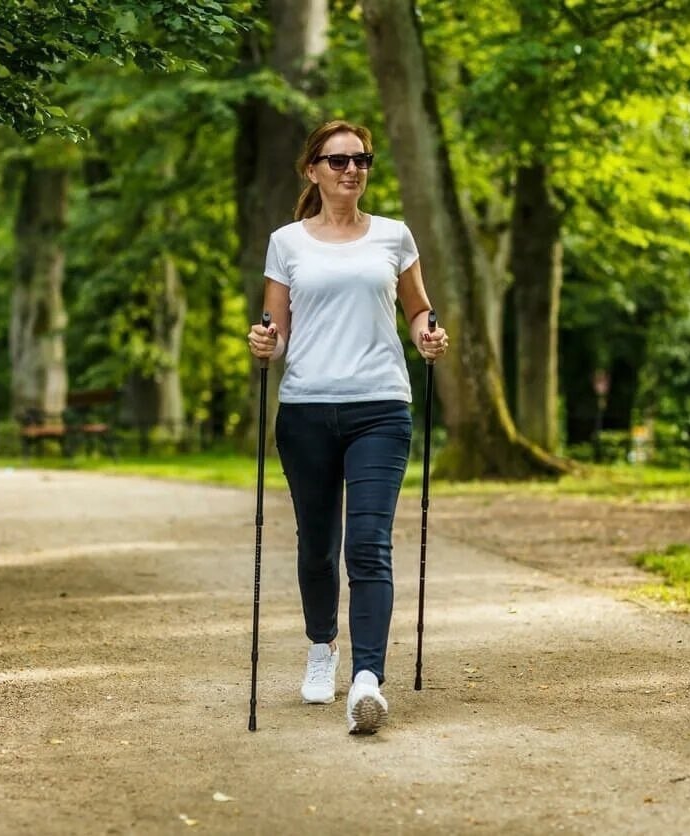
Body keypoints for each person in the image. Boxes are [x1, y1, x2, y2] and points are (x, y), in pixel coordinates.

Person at [247, 119, 449, 734]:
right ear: (313, 170)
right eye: (337, 161)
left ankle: (367, 678)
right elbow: (276, 333)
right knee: (316, 546)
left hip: (380, 408)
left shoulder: (393, 237)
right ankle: (320, 647)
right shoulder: (287, 242)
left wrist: (428, 337)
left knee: (367, 544)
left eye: (361, 159)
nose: (351, 169)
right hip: (306, 409)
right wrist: (263, 342)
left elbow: (417, 310)